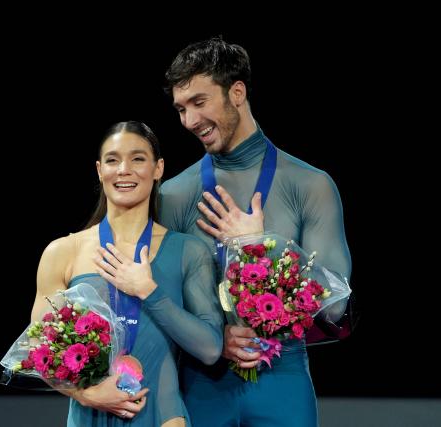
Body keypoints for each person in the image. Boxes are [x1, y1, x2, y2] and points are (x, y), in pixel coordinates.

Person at [159, 37, 352, 426]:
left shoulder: (310, 185)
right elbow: (159, 303)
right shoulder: (173, 195)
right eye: (181, 109)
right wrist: (213, 339)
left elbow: (334, 305)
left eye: (199, 102)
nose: (189, 121)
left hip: (283, 382)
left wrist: (257, 246)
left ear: (237, 92)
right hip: (201, 384)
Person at [32, 121, 224, 427]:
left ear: (158, 168)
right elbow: (40, 352)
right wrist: (87, 394)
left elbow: (211, 349)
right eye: (112, 160)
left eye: (138, 159)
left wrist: (149, 291)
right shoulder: (63, 252)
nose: (124, 169)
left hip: (164, 418)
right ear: (99, 170)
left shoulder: (189, 252)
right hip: (89, 416)